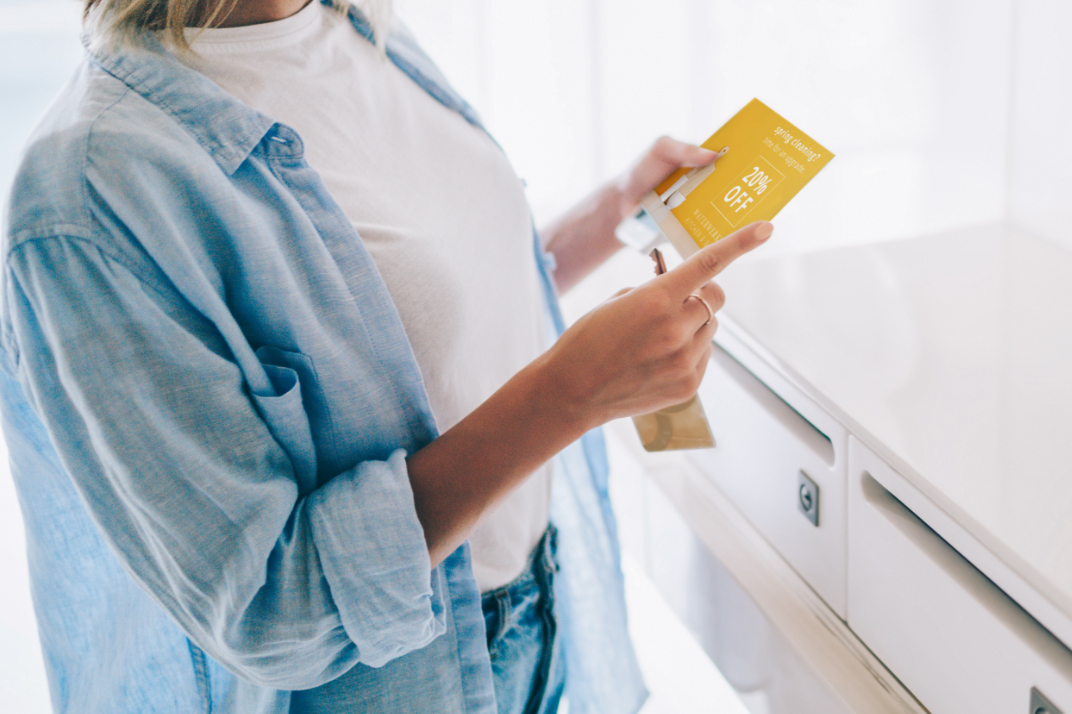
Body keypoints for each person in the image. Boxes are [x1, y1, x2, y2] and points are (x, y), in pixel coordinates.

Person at [0, 0, 773, 712]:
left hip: (535, 612)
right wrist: (570, 394)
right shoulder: (89, 193)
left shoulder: (356, 27)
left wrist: (615, 211)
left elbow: (415, 321)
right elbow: (271, 606)